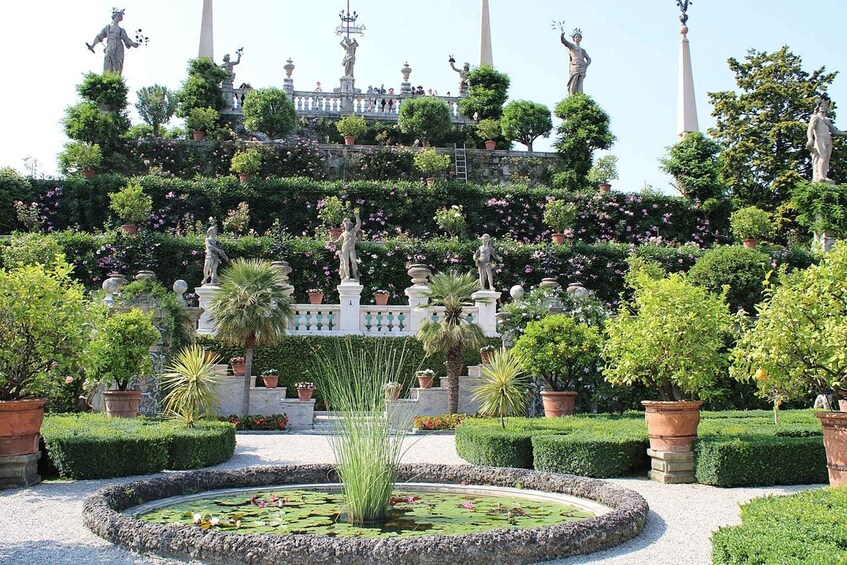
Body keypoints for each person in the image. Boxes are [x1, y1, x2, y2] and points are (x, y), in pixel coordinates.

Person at [807, 94, 846, 183]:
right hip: (820, 138)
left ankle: (824, 175)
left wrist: (845, 133)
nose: (823, 107)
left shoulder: (827, 120)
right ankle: (820, 176)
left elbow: (835, 132)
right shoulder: (815, 117)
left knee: (827, 157)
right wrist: (810, 139)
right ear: (818, 107)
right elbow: (810, 129)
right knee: (823, 156)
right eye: (822, 106)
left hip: (828, 139)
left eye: (825, 106)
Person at [88, 8, 138, 75]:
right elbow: (99, 36)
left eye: (120, 17)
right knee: (107, 59)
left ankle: (115, 80)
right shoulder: (108, 27)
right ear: (114, 17)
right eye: (118, 16)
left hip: (119, 47)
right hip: (110, 46)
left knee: (117, 63)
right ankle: (106, 78)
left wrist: (132, 44)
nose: (118, 18)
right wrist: (92, 45)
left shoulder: (121, 30)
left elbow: (127, 39)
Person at [561, 29, 591, 96]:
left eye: (579, 37)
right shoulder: (572, 46)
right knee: (574, 79)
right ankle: (571, 96)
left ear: (581, 39)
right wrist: (562, 35)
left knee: (580, 80)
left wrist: (586, 65)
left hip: (582, 65)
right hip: (574, 65)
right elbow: (564, 41)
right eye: (576, 37)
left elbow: (589, 59)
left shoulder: (582, 50)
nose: (577, 38)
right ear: (574, 38)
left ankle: (580, 95)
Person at [335, 210, 363, 281]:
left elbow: (358, 224)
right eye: (345, 224)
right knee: (345, 262)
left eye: (348, 224)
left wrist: (357, 216)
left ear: (350, 225)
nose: (347, 225)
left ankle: (355, 274)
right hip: (344, 248)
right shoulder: (343, 233)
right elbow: (338, 241)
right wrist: (332, 243)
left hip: (351, 248)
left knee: (353, 261)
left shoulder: (353, 231)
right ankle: (347, 275)